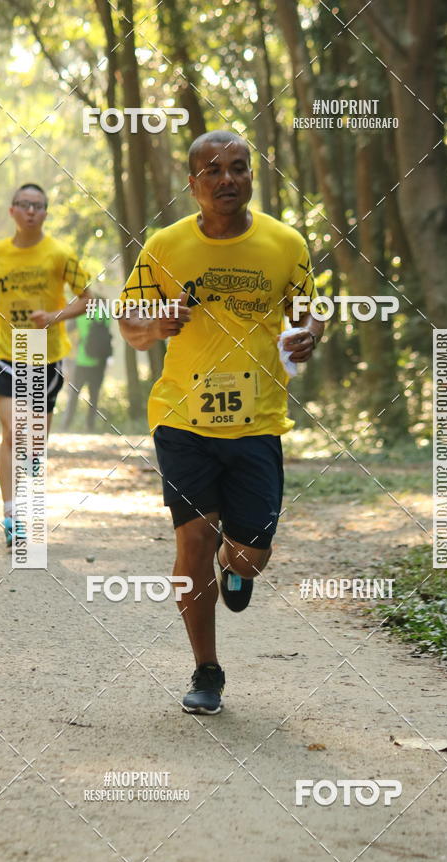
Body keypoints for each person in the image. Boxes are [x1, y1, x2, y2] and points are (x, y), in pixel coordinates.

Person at [119, 130, 322, 714]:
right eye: (213, 170)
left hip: (258, 420)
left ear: (252, 178)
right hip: (182, 417)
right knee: (194, 540)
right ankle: (206, 669)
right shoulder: (163, 246)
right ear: (193, 184)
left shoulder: (285, 243)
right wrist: (156, 325)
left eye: (238, 168)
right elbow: (130, 326)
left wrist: (307, 336)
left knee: (248, 554)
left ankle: (239, 570)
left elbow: (307, 314)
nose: (226, 178)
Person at [0, 183, 93, 547]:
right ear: (12, 211)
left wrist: (55, 315)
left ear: (46, 213)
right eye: (24, 205)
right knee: (12, 431)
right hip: (8, 350)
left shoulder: (60, 254)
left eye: (38, 205)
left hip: (45, 354)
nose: (31, 211)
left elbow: (89, 300)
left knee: (33, 442)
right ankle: (10, 513)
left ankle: (28, 499)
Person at [62, 304, 111, 432]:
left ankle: (66, 425)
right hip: (100, 362)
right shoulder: (104, 313)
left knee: (74, 394)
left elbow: (67, 330)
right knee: (94, 396)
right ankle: (90, 426)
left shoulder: (80, 314)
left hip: (82, 361)